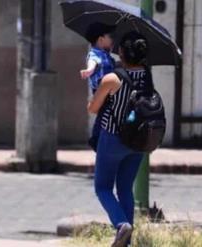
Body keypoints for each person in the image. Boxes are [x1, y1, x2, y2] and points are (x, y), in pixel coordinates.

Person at [87, 31, 151, 247]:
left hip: (113, 138)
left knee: (102, 187)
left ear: (122, 52)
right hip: (139, 142)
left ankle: (121, 224)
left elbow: (93, 108)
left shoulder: (113, 78)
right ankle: (128, 243)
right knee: (125, 189)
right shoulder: (147, 76)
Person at [80, 22, 116, 151]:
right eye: (109, 36)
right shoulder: (95, 54)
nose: (112, 39)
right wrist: (89, 70)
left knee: (106, 112)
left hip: (109, 89)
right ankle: (95, 137)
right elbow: (92, 63)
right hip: (100, 90)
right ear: (101, 40)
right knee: (103, 112)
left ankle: (101, 136)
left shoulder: (107, 55)